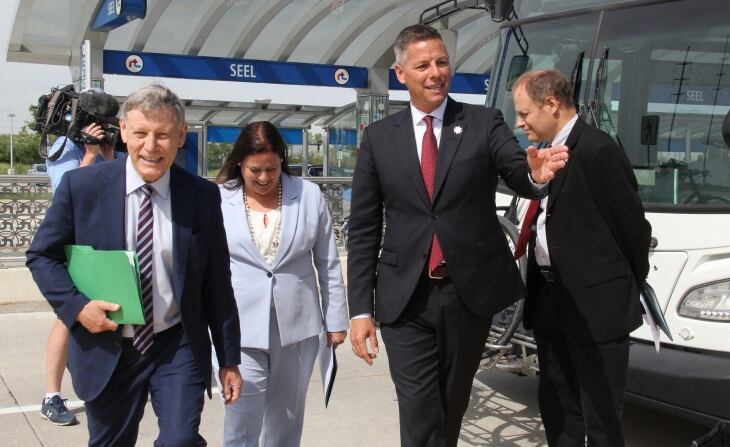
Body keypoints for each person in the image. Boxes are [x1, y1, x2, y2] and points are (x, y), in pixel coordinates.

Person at [347, 24, 569, 446]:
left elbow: (516, 168)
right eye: (423, 65)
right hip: (403, 298)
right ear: (401, 73)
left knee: (451, 405)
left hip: (466, 294)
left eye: (442, 62)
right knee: (419, 408)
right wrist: (360, 309)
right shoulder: (378, 139)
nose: (435, 72)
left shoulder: (484, 123)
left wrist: (534, 174)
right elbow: (363, 228)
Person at [26, 83, 243, 446]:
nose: (151, 146)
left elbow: (217, 284)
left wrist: (229, 358)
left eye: (163, 135)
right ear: (124, 131)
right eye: (141, 133)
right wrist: (78, 308)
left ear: (181, 135)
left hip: (175, 345)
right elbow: (41, 256)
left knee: (181, 440)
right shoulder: (82, 187)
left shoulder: (202, 196)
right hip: (107, 346)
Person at [512, 69, 651, 447]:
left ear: (551, 104)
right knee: (558, 408)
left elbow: (633, 231)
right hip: (551, 302)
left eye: (524, 113)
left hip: (597, 309)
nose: (519, 122)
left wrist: (621, 287)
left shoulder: (598, 150)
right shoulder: (542, 157)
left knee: (601, 415)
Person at [214, 121, 348, 447]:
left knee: (286, 421)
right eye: (254, 170)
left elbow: (328, 262)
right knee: (241, 419)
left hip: (297, 328)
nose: (263, 178)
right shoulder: (218, 199)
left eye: (271, 169)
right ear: (239, 164)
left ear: (282, 161)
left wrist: (336, 320)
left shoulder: (308, 195)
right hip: (240, 328)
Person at [40, 120, 120, 427]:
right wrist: (88, 153)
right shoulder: (64, 147)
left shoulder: (108, 145)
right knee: (67, 316)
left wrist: (108, 153)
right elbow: (67, 194)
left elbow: (117, 186)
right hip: (70, 245)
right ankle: (51, 396)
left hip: (101, 246)